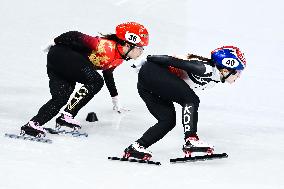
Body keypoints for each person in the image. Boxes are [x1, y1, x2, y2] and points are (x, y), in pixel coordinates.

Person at [21, 22, 149, 137]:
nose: (141, 52)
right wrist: (55, 41)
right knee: (96, 81)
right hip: (61, 55)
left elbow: (108, 74)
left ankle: (33, 124)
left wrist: (115, 99)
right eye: (140, 48)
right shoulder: (105, 46)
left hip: (62, 63)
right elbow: (76, 35)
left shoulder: (119, 58)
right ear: (128, 44)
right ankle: (67, 114)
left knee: (61, 97)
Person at [123, 46, 246, 160]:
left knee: (168, 121)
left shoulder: (213, 77)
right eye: (238, 72)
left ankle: (136, 147)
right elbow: (173, 61)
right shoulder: (205, 69)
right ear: (225, 70)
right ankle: (191, 139)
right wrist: (147, 58)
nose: (239, 76)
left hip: (147, 85)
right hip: (152, 73)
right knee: (191, 99)